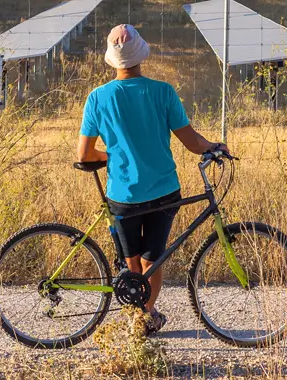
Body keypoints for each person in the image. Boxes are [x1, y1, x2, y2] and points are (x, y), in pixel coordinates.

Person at [76, 24, 226, 334]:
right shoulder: (163, 92)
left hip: (123, 194)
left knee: (133, 265)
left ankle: (140, 319)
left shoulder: (98, 98)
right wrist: (213, 147)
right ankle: (144, 317)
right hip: (163, 192)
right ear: (141, 53)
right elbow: (191, 142)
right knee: (153, 261)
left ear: (113, 59)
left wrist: (110, 157)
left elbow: (84, 156)